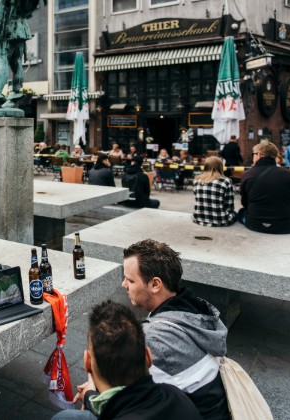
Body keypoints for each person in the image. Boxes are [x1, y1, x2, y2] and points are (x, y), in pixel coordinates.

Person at [122, 239, 230, 420]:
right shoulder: (195, 309)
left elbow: (126, 400)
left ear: (155, 284)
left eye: (130, 280)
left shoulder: (155, 340)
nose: (123, 284)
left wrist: (92, 393)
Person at [53, 301, 202, 420]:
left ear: (87, 363)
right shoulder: (175, 394)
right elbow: (118, 405)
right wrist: (89, 395)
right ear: (148, 357)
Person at [238, 141, 290, 234]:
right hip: (284, 225)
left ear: (259, 155)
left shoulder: (247, 175)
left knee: (241, 212)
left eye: (253, 154)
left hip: (254, 223)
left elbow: (245, 203)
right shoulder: (289, 175)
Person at [192, 156, 236, 227]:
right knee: (237, 214)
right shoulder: (226, 181)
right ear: (220, 167)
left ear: (205, 166)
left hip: (198, 217)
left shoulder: (196, 180)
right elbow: (229, 206)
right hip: (221, 220)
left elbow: (197, 198)